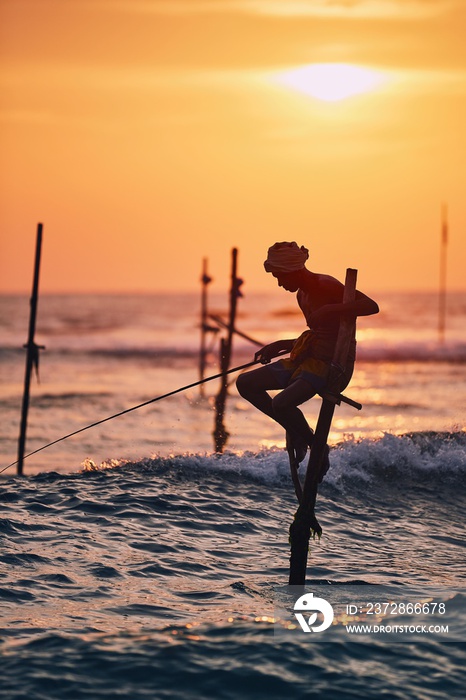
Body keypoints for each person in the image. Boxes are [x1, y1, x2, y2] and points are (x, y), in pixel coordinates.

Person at [236, 241, 379, 481]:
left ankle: (316, 444)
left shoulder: (326, 284)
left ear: (295, 271)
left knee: (281, 404)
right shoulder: (301, 294)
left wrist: (333, 308)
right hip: (308, 359)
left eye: (281, 277)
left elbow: (371, 306)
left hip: (331, 365)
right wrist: (280, 345)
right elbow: (318, 335)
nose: (280, 283)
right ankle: (298, 432)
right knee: (245, 383)